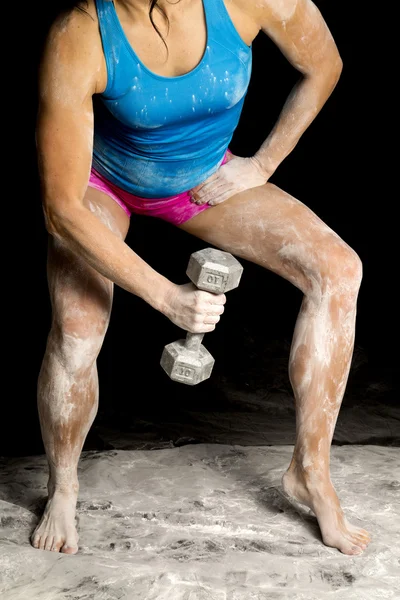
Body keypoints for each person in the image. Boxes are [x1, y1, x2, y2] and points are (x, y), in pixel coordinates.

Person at [31, 0, 370, 556]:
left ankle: (310, 472)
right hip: (102, 185)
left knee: (339, 269)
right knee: (77, 327)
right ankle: (62, 488)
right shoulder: (81, 33)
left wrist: (261, 166)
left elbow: (324, 65)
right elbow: (60, 208)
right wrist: (165, 297)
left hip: (201, 179)